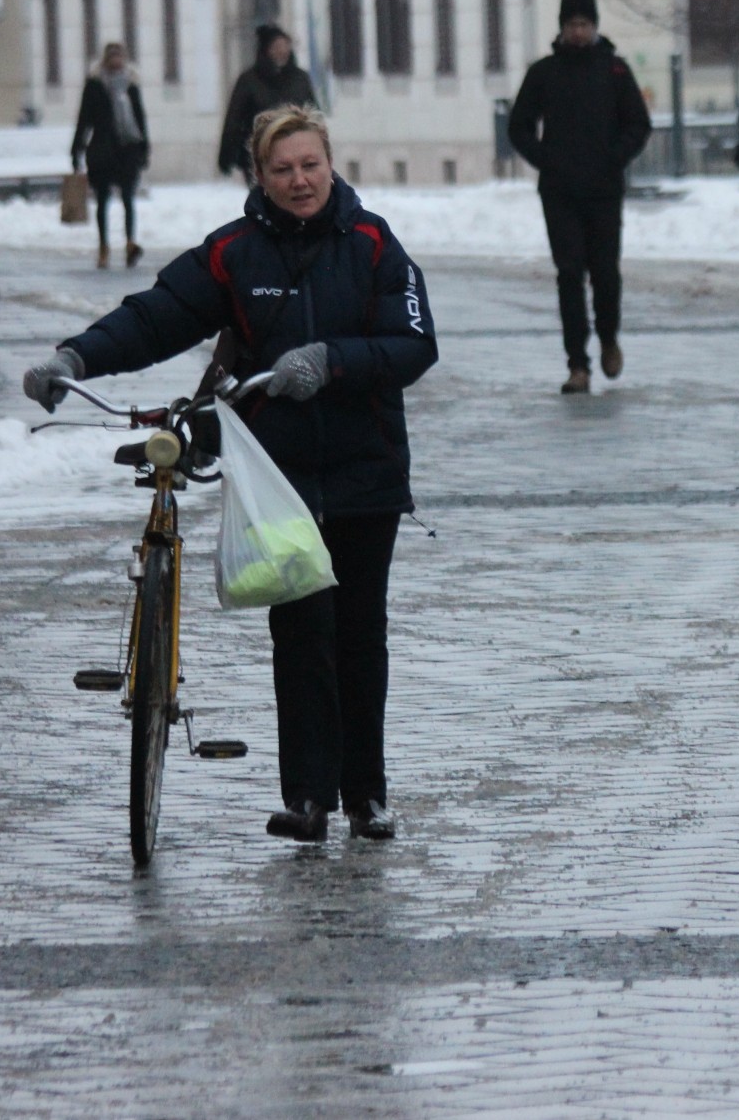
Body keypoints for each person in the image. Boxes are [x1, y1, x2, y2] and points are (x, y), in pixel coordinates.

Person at [23, 105, 438, 843]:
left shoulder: (374, 243)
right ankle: (308, 796)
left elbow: (411, 343)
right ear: (260, 175)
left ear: (330, 163)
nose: (299, 180)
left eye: (310, 165)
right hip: (275, 474)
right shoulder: (235, 253)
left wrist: (332, 360)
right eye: (282, 169)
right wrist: (75, 357)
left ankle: (367, 793)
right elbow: (156, 315)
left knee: (358, 631)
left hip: (363, 468)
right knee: (301, 629)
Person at [507, 0, 652, 395]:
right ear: (561, 27)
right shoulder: (544, 73)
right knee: (569, 274)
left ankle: (608, 337)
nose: (578, 31)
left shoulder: (615, 71)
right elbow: (519, 125)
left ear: (595, 26)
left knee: (605, 273)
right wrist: (545, 159)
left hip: (604, 189)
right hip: (559, 191)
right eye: (571, 24)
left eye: (584, 24)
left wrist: (614, 157)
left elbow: (638, 125)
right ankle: (577, 364)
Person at [71, 42, 150, 270]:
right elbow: (84, 119)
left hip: (127, 149)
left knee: (128, 199)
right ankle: (104, 246)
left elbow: (139, 118)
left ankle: (129, 243)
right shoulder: (95, 85)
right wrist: (76, 150)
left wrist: (144, 148)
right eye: (113, 57)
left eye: (119, 57)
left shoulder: (131, 85)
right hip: (102, 151)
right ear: (106, 60)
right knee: (103, 201)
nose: (116, 61)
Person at [218, 25, 318, 180]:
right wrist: (227, 155)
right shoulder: (249, 81)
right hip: (260, 155)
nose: (282, 51)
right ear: (266, 50)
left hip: (298, 152)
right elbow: (234, 119)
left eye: (286, 46)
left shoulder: (300, 79)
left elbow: (314, 114)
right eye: (277, 47)